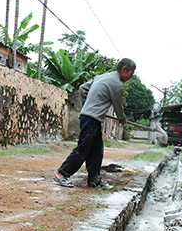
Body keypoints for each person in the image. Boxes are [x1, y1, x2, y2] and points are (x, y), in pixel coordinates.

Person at [53, 58, 136, 189]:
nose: (131, 77)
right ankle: (61, 173)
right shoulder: (117, 85)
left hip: (90, 117)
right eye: (131, 73)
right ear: (124, 69)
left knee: (97, 150)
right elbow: (118, 106)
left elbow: (82, 88)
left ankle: (94, 180)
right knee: (83, 148)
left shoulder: (102, 77)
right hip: (91, 118)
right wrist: (121, 118)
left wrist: (88, 104)